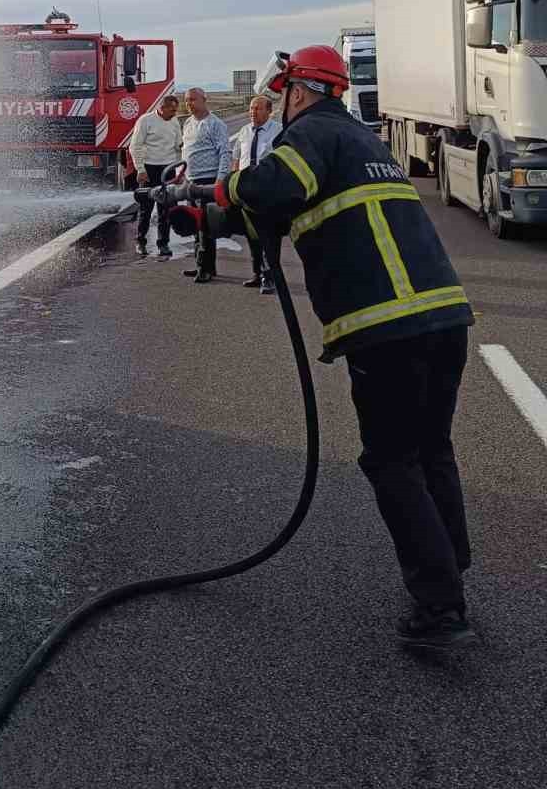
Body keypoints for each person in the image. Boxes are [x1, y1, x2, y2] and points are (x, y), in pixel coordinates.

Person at [212, 46, 476, 649]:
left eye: (284, 95)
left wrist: (226, 187)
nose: (282, 106)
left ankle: (440, 610)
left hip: (388, 328)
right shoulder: (363, 142)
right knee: (430, 448)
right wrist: (207, 219)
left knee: (390, 461)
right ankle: (450, 568)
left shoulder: (311, 133)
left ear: (299, 91)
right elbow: (291, 211)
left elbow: (276, 187)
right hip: (443, 319)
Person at [230, 94, 282, 294]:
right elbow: (236, 157)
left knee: (269, 236)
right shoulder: (244, 131)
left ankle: (270, 277)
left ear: (269, 111)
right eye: (251, 108)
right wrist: (233, 182)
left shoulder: (278, 132)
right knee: (251, 235)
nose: (253, 112)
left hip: (267, 192)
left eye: (258, 108)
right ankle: (257, 272)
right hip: (246, 192)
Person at [178, 88, 231, 284]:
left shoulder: (215, 124)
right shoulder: (188, 123)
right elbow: (185, 152)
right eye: (186, 100)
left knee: (206, 227)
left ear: (204, 100)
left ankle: (206, 268)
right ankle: (201, 264)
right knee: (195, 224)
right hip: (190, 181)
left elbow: (225, 153)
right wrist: (180, 177)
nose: (189, 103)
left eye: (192, 99)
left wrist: (219, 181)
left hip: (208, 182)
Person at [127, 94, 182, 257]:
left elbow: (178, 146)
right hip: (149, 169)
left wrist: (179, 170)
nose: (174, 113)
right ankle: (140, 241)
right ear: (161, 108)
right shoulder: (145, 121)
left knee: (165, 209)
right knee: (146, 209)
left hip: (168, 169)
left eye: (175, 110)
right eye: (171, 110)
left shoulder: (175, 121)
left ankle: (163, 244)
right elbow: (134, 146)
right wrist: (140, 169)